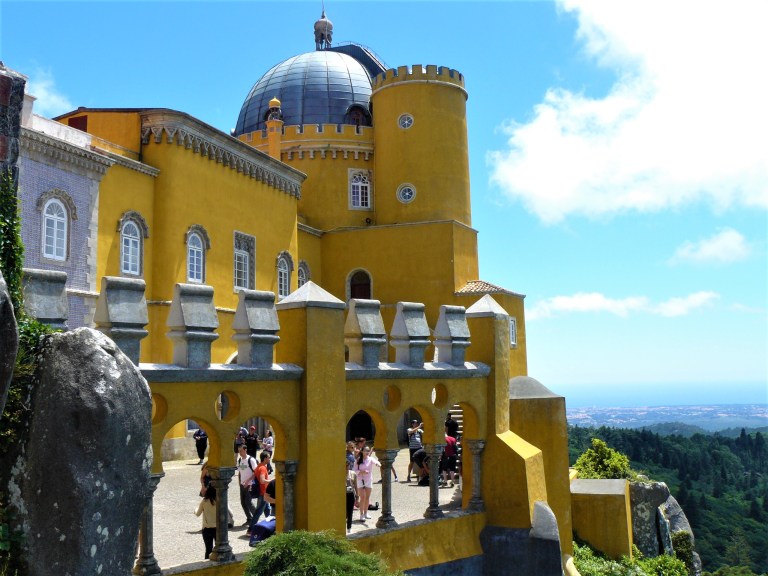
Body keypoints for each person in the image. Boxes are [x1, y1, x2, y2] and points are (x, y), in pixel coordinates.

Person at [248, 451, 271, 532]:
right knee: (258, 512)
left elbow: (254, 476)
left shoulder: (259, 466)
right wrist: (272, 481)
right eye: (268, 458)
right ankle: (250, 529)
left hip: (264, 493)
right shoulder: (263, 468)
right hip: (263, 493)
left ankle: (271, 526)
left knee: (267, 510)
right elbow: (262, 480)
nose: (269, 459)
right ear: (265, 458)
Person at [354, 445, 378, 521]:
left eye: (368, 450)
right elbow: (354, 470)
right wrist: (361, 472)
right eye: (365, 450)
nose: (367, 452)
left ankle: (366, 513)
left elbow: (376, 462)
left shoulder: (370, 459)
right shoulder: (358, 460)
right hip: (360, 480)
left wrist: (379, 464)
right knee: (362, 497)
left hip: (368, 480)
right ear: (362, 451)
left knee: (367, 497)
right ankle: (361, 514)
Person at [194, 485, 217, 560]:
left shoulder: (204, 501)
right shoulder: (220, 500)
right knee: (220, 550)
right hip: (218, 529)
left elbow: (197, 513)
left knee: (208, 549)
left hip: (207, 528)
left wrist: (195, 509)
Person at [236, 443, 257, 525]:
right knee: (243, 502)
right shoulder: (239, 460)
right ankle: (249, 518)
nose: (240, 453)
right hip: (242, 485)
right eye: (239, 451)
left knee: (248, 502)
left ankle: (256, 518)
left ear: (245, 450)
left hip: (250, 484)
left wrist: (248, 481)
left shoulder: (251, 460)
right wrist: (240, 482)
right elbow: (239, 472)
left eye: (241, 451)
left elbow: (256, 472)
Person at [345, 459, 358, 531]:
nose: (347, 467)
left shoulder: (353, 473)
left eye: (348, 465)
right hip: (343, 495)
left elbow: (356, 485)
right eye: (345, 466)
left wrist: (357, 496)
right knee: (344, 512)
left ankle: (349, 527)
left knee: (350, 511)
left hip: (350, 494)